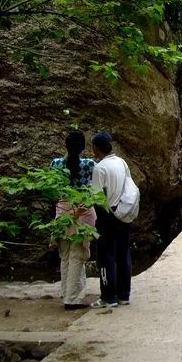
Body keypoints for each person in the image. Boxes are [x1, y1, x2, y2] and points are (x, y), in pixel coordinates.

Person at [50, 131, 97, 310]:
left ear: (66, 146)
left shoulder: (56, 164)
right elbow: (96, 188)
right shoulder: (89, 165)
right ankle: (72, 298)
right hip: (83, 210)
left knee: (65, 255)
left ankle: (66, 293)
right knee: (78, 254)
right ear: (83, 147)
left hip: (62, 210)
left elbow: (54, 191)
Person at [90, 131, 133, 308]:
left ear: (96, 148)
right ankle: (124, 294)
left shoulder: (100, 168)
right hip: (124, 213)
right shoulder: (121, 163)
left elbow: (96, 196)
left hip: (107, 216)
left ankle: (108, 296)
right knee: (123, 254)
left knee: (106, 256)